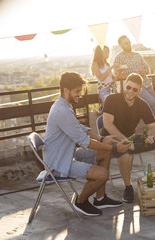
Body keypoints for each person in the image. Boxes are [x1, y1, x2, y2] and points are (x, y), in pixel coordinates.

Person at [43, 71, 131, 216]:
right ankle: (81, 201)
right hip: (58, 163)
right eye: (77, 91)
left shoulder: (65, 105)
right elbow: (84, 141)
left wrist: (102, 139)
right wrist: (115, 147)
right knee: (102, 174)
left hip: (66, 154)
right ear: (66, 90)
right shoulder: (61, 110)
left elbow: (81, 128)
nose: (80, 95)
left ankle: (100, 198)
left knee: (105, 151)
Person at [102, 73, 155, 203]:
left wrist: (151, 136)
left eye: (135, 89)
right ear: (124, 84)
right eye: (128, 87)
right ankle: (128, 187)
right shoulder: (111, 99)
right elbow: (107, 124)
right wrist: (124, 140)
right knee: (124, 149)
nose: (130, 91)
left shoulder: (142, 104)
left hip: (130, 138)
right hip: (111, 140)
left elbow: (153, 127)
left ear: (139, 91)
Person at [113, 35, 155, 118]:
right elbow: (117, 74)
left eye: (129, 42)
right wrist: (131, 77)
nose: (129, 44)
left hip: (147, 83)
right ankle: (151, 125)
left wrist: (145, 70)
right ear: (121, 46)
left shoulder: (137, 55)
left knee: (153, 104)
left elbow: (147, 68)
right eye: (126, 43)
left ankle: (154, 127)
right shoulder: (119, 58)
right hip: (136, 86)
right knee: (151, 101)